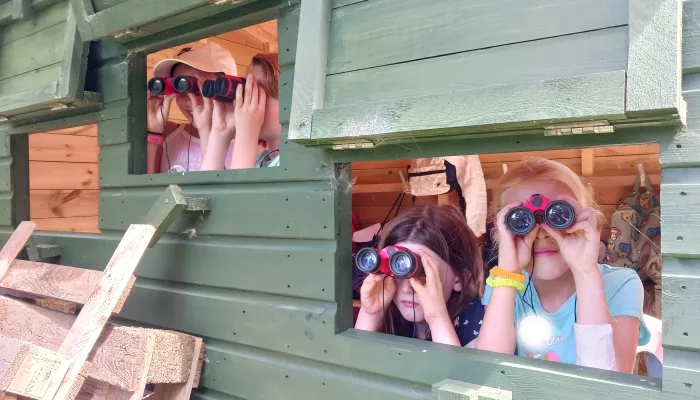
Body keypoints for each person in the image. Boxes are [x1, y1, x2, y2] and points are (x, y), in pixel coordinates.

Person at [475, 157, 646, 373]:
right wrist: (508, 274)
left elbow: (609, 388)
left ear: (585, 220)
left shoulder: (620, 283)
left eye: (559, 216)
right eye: (522, 221)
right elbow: (487, 374)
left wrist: (585, 272)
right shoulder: (503, 284)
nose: (542, 235)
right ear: (500, 233)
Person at [354, 204, 485, 347]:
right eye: (398, 271)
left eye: (424, 274)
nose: (407, 289)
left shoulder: (480, 323)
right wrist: (370, 314)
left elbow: (456, 370)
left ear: (461, 278)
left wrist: (437, 319)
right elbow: (353, 365)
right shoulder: (390, 313)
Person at [146, 42, 240, 174]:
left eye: (199, 88)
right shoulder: (168, 134)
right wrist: (153, 133)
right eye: (180, 88)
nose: (190, 101)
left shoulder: (249, 145)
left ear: (228, 87)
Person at [199, 53, 282, 170]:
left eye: (256, 92)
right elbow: (208, 188)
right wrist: (220, 133)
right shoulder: (261, 160)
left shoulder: (299, 163)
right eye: (246, 90)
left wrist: (246, 134)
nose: (246, 100)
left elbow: (238, 189)